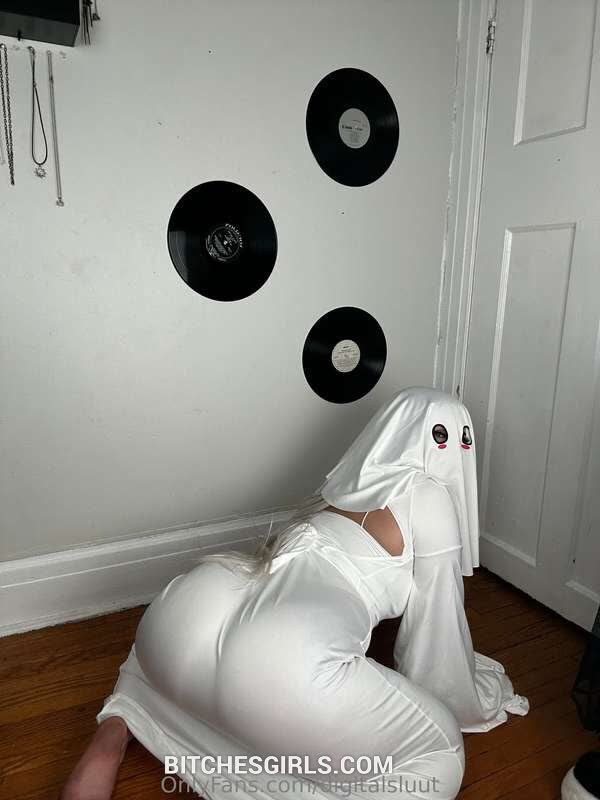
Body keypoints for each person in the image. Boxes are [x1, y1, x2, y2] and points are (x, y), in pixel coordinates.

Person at [60, 387, 529, 800]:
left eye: (460, 439)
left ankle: (118, 727)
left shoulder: (351, 477)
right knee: (440, 752)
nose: (454, 449)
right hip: (279, 656)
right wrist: (457, 699)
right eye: (445, 437)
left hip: (190, 607)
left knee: (155, 657)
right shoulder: (429, 496)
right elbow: (436, 628)